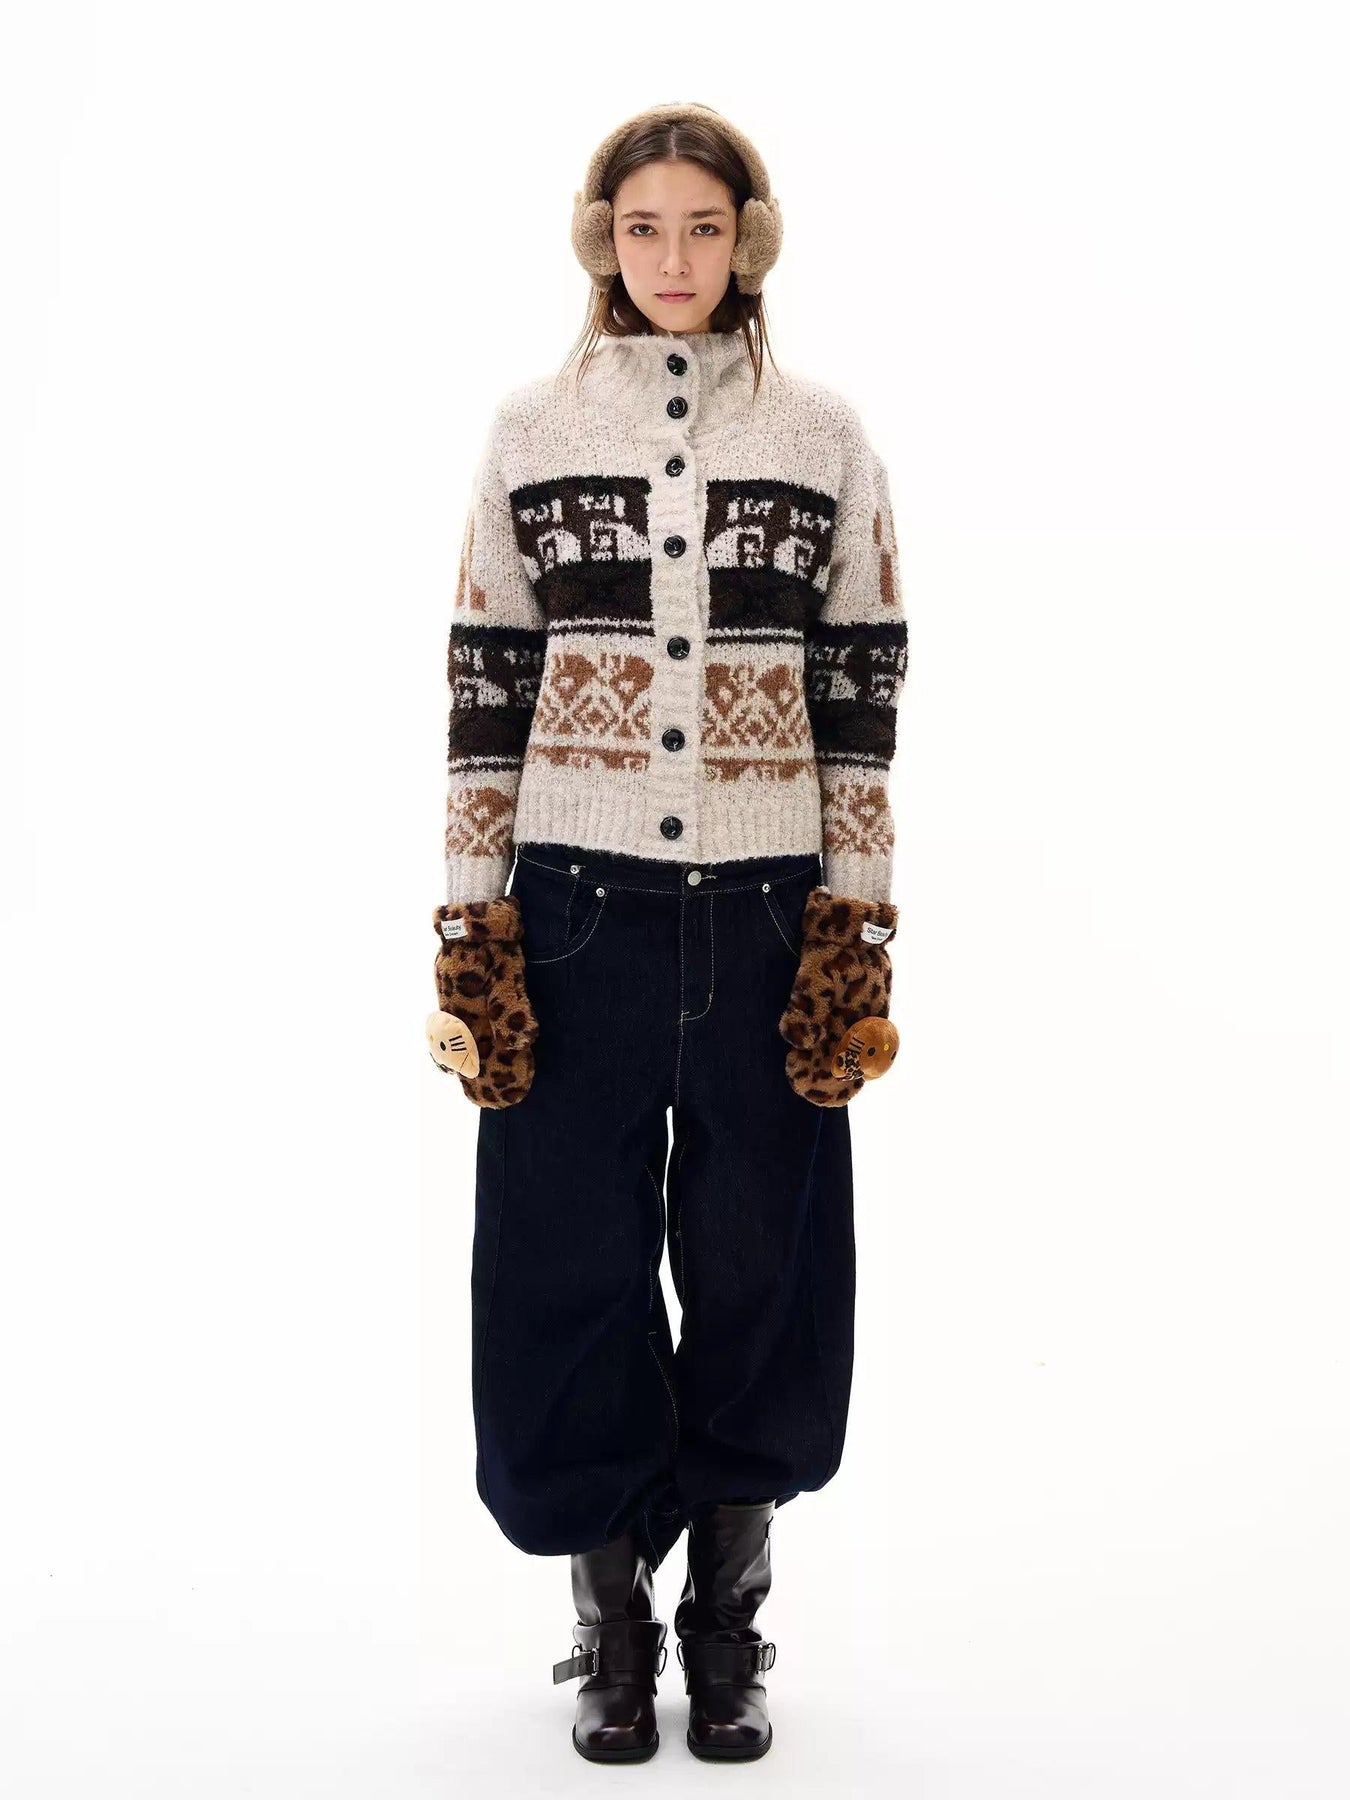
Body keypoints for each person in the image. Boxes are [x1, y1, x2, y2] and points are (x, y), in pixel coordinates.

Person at [428, 100, 909, 1765]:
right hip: (571, 917)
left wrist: (855, 924)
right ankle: (612, 1621)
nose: (674, 256)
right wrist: (470, 923)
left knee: (765, 1269)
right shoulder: (530, 426)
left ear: (747, 240)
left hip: (771, 920)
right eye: (644, 227)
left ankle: (724, 1619)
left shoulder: (824, 436)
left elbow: (861, 692)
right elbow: (485, 688)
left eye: (704, 226)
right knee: (564, 1266)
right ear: (603, 241)